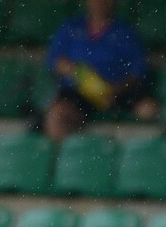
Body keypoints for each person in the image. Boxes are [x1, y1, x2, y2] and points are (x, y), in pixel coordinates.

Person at [42, 0, 159, 142]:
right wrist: (72, 69)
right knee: (57, 114)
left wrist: (114, 90)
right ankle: (65, 160)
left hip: (118, 92)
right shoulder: (71, 28)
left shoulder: (126, 32)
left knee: (148, 110)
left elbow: (137, 72)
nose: (99, 3)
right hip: (78, 92)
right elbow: (55, 60)